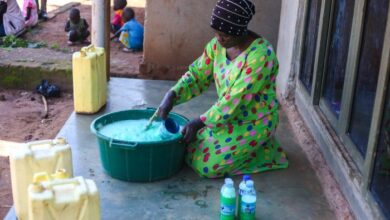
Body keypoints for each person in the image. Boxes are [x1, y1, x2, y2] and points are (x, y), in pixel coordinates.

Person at [157, 0, 288, 178]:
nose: (219, 39)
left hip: (254, 121)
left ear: (241, 31)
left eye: (225, 35)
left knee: (206, 166)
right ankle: (244, 147)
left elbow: (235, 99)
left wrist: (199, 122)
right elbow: (197, 75)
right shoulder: (217, 46)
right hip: (225, 117)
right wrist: (172, 95)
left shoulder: (262, 56)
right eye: (216, 33)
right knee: (185, 146)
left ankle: (265, 152)